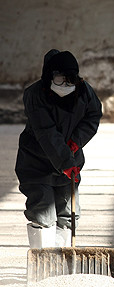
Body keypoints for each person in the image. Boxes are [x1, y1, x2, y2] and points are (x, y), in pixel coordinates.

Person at [15, 49, 103, 248]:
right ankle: (42, 261)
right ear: (48, 77)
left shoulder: (84, 91)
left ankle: (62, 262)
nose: (65, 85)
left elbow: (93, 116)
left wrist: (76, 141)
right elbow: (46, 132)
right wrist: (65, 161)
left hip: (69, 159)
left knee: (68, 213)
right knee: (43, 213)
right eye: (59, 79)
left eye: (70, 80)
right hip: (36, 162)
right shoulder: (35, 94)